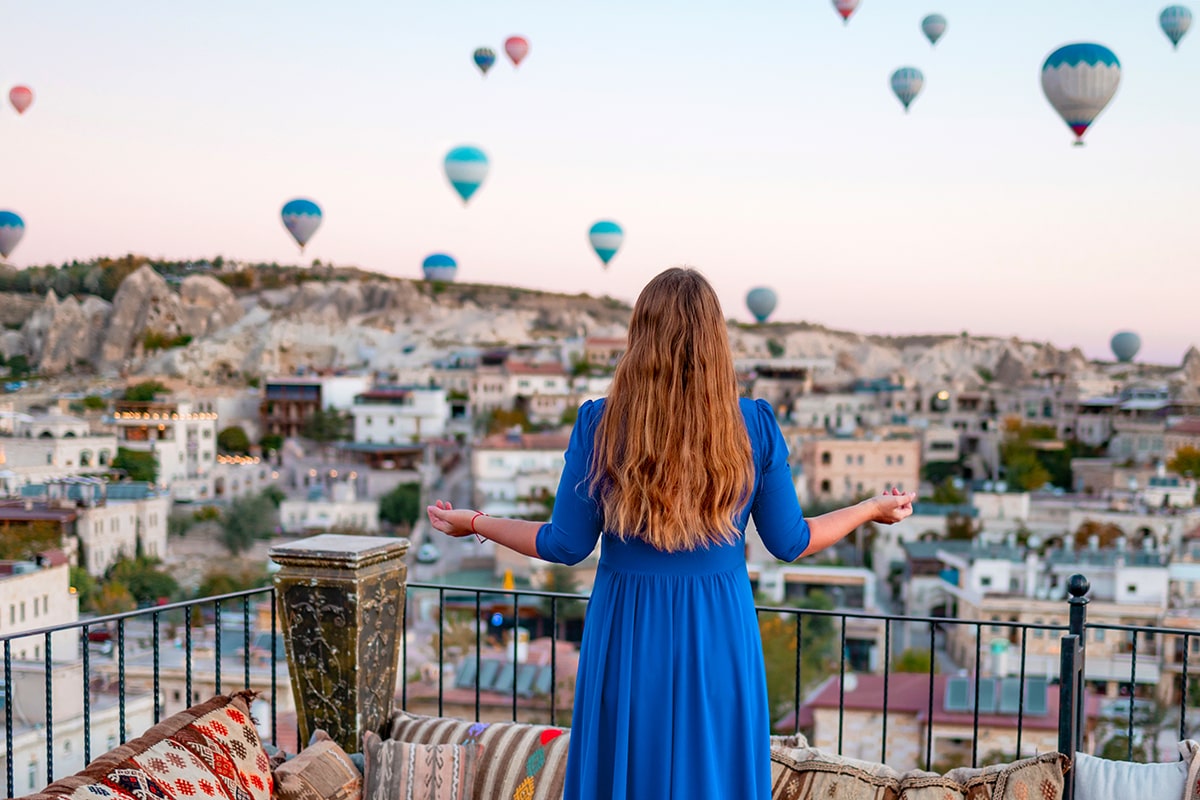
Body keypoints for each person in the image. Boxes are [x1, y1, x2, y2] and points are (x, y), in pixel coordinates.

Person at [427, 267, 915, 799]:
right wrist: (869, 509)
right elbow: (791, 541)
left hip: (628, 626)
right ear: (716, 340)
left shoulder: (600, 424)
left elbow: (564, 544)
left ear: (640, 338)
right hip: (718, 627)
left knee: (629, 771)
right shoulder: (752, 425)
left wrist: (475, 522)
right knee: (713, 774)